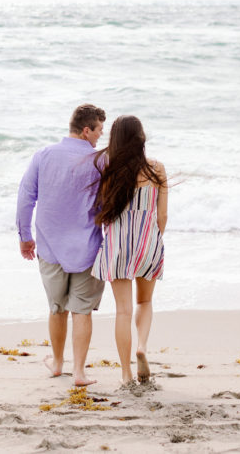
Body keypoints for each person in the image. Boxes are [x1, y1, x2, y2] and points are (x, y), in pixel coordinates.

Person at [16, 103, 107, 387]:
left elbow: (25, 197)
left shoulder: (43, 155)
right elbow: (108, 204)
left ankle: (57, 364)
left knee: (57, 308)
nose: (99, 137)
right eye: (99, 131)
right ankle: (79, 373)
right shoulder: (99, 161)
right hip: (88, 248)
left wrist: (24, 236)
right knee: (81, 310)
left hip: (50, 247)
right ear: (86, 130)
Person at [90, 115, 167, 388]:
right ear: (141, 137)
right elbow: (162, 218)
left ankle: (125, 374)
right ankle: (142, 347)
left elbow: (101, 211)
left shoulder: (107, 170)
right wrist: (152, 240)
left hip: (118, 246)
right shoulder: (156, 169)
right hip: (148, 242)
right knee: (144, 303)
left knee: (122, 311)